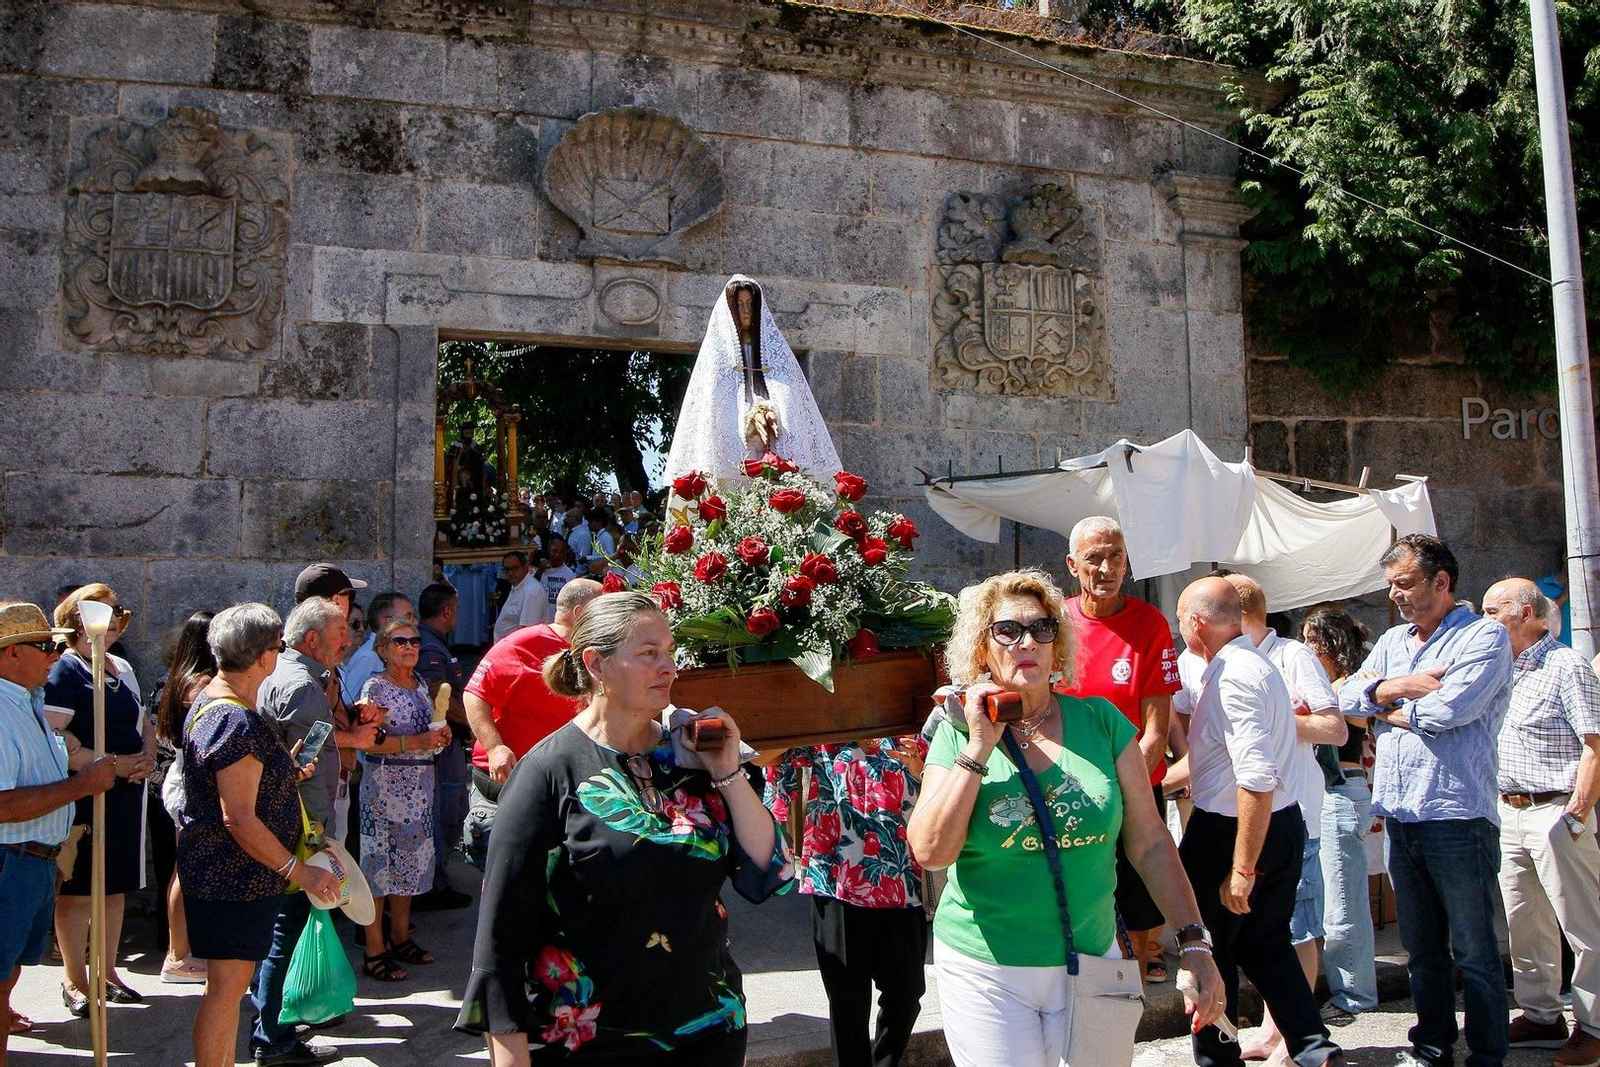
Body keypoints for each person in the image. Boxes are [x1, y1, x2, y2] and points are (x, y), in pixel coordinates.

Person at [455, 591, 795, 1062]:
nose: (668, 666)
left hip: (709, 1027)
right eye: (647, 653)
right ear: (596, 663)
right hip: (594, 1041)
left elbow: (767, 873)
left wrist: (727, 770)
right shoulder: (548, 771)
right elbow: (500, 941)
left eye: (670, 651)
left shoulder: (691, 755)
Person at [906, 569, 1225, 1066]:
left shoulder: (1101, 722)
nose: (1026, 641)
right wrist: (979, 746)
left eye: (1042, 628)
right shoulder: (956, 735)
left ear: (1059, 645)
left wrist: (1195, 941)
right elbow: (931, 853)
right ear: (981, 649)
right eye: (1007, 630)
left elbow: (1150, 842)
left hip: (1093, 962)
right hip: (987, 967)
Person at [1339, 534, 1512, 1067]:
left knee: (1476, 951)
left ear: (1442, 582)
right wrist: (1399, 687)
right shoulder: (1393, 642)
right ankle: (1433, 1047)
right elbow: (1343, 699)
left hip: (1457, 813)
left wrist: (1380, 702)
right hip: (1401, 813)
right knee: (1422, 950)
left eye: (1406, 584)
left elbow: (1448, 712)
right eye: (1391, 585)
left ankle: (1486, 1053)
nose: (1396, 595)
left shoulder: (1485, 637)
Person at [1174, 576, 1342, 1067]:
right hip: (1274, 823)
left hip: (1237, 830)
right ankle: (1314, 1047)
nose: (1179, 626)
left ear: (1197, 623)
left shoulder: (1234, 676)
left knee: (1209, 952)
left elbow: (1256, 776)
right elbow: (1222, 763)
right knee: (1266, 945)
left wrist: (1241, 868)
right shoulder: (1252, 666)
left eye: (1182, 617)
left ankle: (1219, 1060)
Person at [175, 603, 343, 1067]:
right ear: (264, 657)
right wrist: (299, 872)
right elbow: (240, 818)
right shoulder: (233, 719)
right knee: (226, 991)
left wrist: (280, 772)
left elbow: (234, 790)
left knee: (227, 989)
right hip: (233, 876)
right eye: (277, 647)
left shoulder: (217, 704)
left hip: (228, 873)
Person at [1224, 573, 1347, 1064]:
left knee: (1296, 930)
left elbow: (1334, 727)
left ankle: (1297, 1039)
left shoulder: (1293, 656)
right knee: (1265, 933)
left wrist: (1272, 716)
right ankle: (1276, 1031)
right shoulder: (1228, 661)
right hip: (1247, 822)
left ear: (1241, 614)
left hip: (1295, 817)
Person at [251, 596, 378, 1066]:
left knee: (276, 930)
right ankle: (273, 1038)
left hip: (279, 820)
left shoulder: (284, 674)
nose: (348, 641)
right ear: (311, 640)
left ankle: (269, 1026)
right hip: (295, 825)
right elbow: (309, 761)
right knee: (285, 930)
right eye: (339, 634)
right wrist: (317, 830)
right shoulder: (302, 685)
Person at [1057, 515, 1181, 983]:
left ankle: (1147, 946)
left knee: (1137, 868)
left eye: (1115, 557)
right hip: (1067, 779)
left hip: (1134, 778)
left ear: (1127, 564)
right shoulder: (1057, 623)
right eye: (1094, 558)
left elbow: (1155, 727)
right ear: (1073, 565)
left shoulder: (1149, 624)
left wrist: (1122, 786)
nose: (1105, 568)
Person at [1483, 577, 1600, 1065]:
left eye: (1494, 610)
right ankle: (1541, 1012)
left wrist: (1577, 811)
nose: (1484, 619)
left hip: (1555, 807)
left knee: (1582, 923)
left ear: (1528, 614)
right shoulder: (1499, 668)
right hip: (1508, 808)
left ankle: (1594, 1025)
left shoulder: (1566, 665)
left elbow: (1595, 743)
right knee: (1523, 920)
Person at [765, 735, 930, 1067]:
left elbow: (936, 800)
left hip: (899, 883)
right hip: (835, 883)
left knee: (907, 995)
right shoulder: (824, 736)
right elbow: (763, 757)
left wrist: (920, 768)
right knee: (847, 1003)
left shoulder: (913, 734)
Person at [0, 602, 116, 1063]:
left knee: (7, 979)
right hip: (10, 861)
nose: (57, 653)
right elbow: (3, 805)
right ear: (10, 655)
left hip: (35, 861)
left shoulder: (26, 703)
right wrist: (81, 786)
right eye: (45, 645)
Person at [46, 583, 156, 1018]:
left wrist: (146, 755)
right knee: (77, 889)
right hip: (86, 793)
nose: (115, 620)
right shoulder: (66, 670)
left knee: (113, 888)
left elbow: (142, 719)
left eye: (118, 612)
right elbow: (57, 736)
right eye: (107, 612)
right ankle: (74, 979)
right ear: (79, 619)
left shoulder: (121, 667)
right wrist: (111, 764)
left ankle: (106, 972)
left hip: (125, 792)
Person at [664, 274, 842, 488]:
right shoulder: (716, 358)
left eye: (750, 304)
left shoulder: (776, 355)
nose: (746, 312)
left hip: (772, 442)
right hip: (735, 442)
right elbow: (714, 407)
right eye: (739, 305)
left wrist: (770, 411)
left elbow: (790, 397)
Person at [463, 579, 602, 848]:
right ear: (579, 613)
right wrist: (495, 748)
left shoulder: (596, 652)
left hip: (561, 781)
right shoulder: (522, 643)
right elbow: (474, 694)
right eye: (602, 609)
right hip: (508, 779)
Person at [356, 620, 454, 981]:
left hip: (418, 787)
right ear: (383, 648)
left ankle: (400, 937)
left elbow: (428, 729)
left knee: (409, 866)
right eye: (400, 641)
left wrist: (439, 736)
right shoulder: (375, 689)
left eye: (414, 640)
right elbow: (370, 740)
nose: (410, 646)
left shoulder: (420, 685)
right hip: (384, 789)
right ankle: (373, 949)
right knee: (380, 867)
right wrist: (417, 744)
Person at [1300, 606, 1378, 1026]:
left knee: (1343, 901)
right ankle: (1347, 988)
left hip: (1342, 790)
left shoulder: (1352, 685)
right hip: (1327, 794)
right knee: (1331, 896)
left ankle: (1355, 994)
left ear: (1331, 643)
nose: (1306, 647)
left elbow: (1354, 719)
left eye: (1312, 639)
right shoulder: (1330, 685)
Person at [151, 610, 217, 986]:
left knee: (185, 867)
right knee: (186, 869)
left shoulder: (178, 680)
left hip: (182, 778)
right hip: (190, 781)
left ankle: (183, 950)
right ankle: (179, 954)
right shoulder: (198, 685)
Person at [414, 583, 473, 911]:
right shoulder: (431, 648)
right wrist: (473, 723)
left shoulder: (432, 642)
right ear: (448, 611)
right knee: (444, 812)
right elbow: (437, 692)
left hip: (446, 741)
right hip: (440, 746)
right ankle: (434, 886)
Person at [341, 592, 415, 705]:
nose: (414, 622)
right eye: (407, 617)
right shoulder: (369, 657)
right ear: (385, 621)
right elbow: (347, 700)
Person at [493, 552, 547, 643]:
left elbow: (528, 633)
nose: (510, 573)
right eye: (507, 569)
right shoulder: (518, 586)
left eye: (514, 568)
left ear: (525, 567)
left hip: (517, 651)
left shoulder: (531, 592)